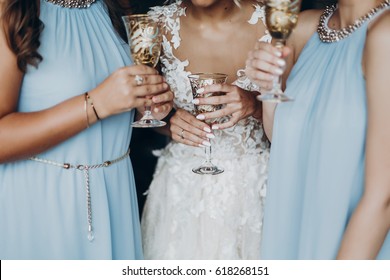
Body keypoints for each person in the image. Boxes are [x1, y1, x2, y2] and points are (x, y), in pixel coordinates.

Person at [0, 0, 173, 259]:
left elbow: (124, 99)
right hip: (42, 200)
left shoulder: (116, 7)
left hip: (116, 194)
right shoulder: (13, 10)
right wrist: (96, 104)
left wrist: (147, 104)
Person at [246, 0, 390, 259]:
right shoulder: (303, 27)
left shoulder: (385, 33)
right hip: (292, 231)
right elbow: (284, 141)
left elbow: (384, 197)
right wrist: (268, 86)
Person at [141, 0, 270, 259]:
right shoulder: (155, 25)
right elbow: (144, 109)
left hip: (257, 186)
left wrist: (255, 105)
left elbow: (305, 116)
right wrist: (170, 121)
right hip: (181, 188)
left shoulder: (272, 23)